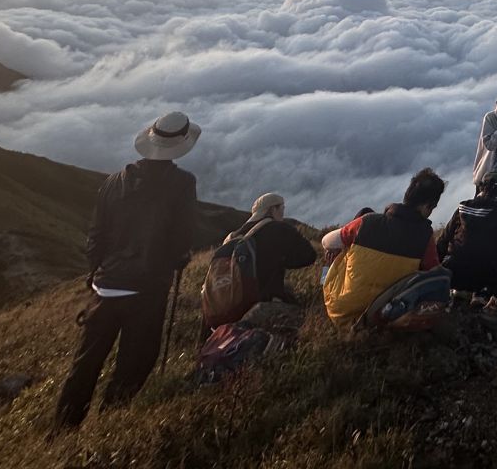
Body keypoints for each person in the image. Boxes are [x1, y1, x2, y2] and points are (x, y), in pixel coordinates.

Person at [54, 111, 200, 430]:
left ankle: (62, 429)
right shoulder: (182, 183)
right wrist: (180, 258)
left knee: (87, 363)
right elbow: (182, 237)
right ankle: (109, 422)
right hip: (146, 290)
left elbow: (97, 235)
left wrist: (95, 274)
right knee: (137, 362)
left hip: (104, 288)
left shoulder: (112, 182)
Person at [322, 168, 445, 328]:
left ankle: (322, 283)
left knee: (340, 247)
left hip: (341, 312)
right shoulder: (425, 236)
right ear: (427, 206)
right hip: (385, 316)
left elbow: (327, 242)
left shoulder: (367, 222)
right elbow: (433, 272)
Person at [222, 193, 317, 304]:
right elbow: (310, 256)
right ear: (273, 209)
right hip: (267, 300)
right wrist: (282, 260)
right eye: (282, 207)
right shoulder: (281, 229)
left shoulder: (233, 236)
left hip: (232, 301)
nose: (283, 212)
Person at [437, 171, 497, 295]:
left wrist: (433, 271)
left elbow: (442, 241)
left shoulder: (462, 209)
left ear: (480, 187)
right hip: (483, 279)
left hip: (453, 275)